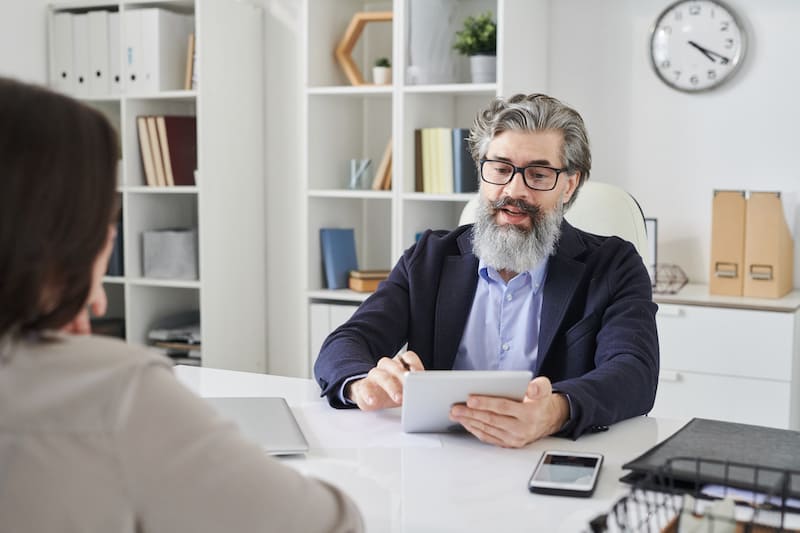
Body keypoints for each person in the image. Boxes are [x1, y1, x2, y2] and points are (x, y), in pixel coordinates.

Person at [0, 77, 362, 533]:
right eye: (103, 214)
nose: (110, 232)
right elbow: (327, 523)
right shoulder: (110, 388)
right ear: (62, 238)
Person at [314, 93, 659, 448]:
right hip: (441, 457)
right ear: (482, 171)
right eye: (500, 169)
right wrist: (363, 384)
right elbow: (346, 342)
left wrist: (554, 411)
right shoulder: (430, 257)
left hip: (546, 456)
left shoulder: (614, 265)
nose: (514, 190)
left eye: (538, 175)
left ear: (569, 184)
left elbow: (635, 373)